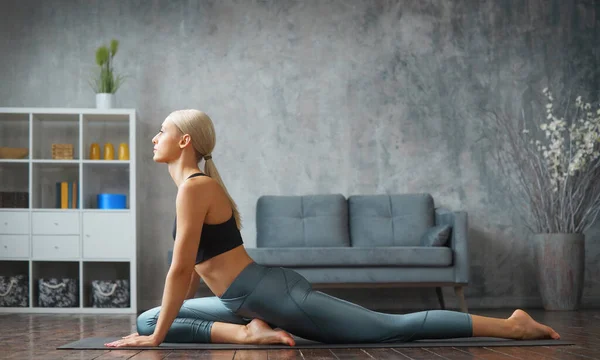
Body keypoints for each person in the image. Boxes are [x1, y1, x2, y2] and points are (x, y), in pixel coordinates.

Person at [105, 109, 561, 348]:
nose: (153, 137)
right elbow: (180, 283)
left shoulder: (195, 188)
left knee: (390, 328)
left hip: (275, 296)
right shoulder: (190, 188)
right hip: (242, 302)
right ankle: (249, 333)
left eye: (161, 130)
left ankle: (512, 327)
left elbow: (180, 271)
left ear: (183, 141)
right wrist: (155, 333)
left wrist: (157, 342)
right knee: (148, 320)